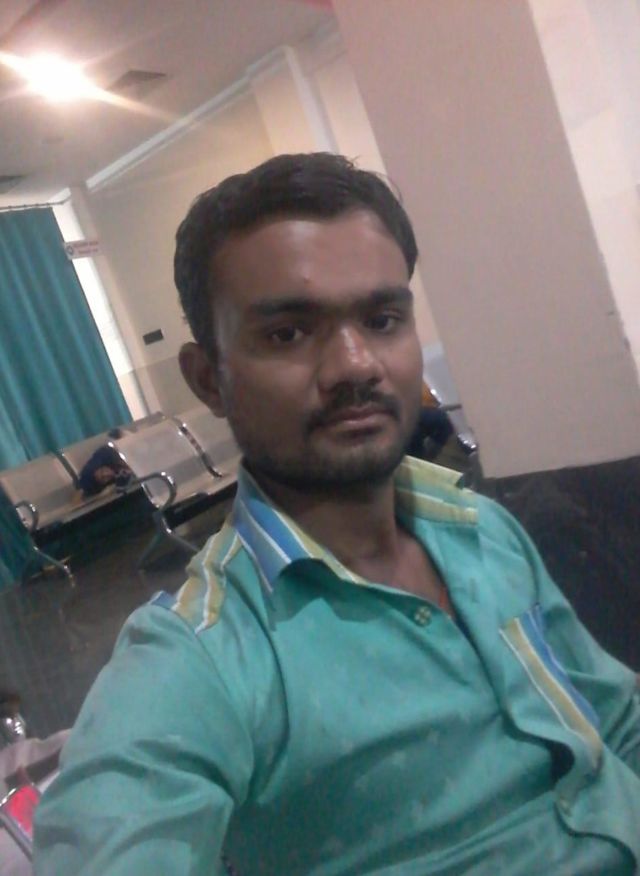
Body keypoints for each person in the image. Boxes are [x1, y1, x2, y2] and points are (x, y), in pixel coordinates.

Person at [33, 154, 640, 875]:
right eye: (288, 333)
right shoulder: (203, 657)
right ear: (208, 380)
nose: (355, 364)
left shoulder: (483, 528)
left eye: (382, 319)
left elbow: (617, 722)